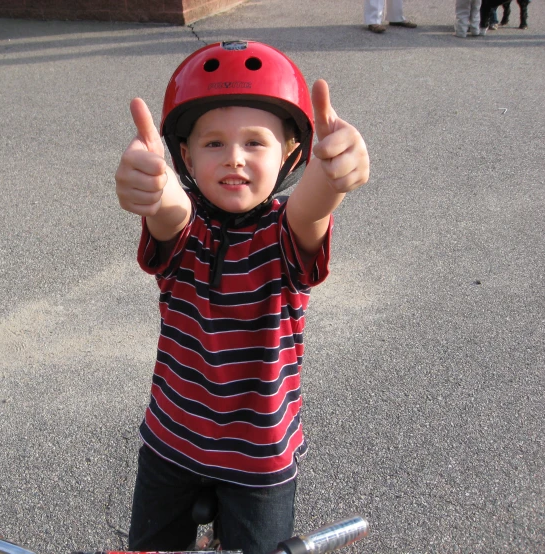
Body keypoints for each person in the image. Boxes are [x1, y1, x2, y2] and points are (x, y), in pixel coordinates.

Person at [114, 41, 370, 554]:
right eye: (213, 144)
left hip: (259, 458)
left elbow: (310, 209)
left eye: (256, 143)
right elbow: (169, 210)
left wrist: (332, 175)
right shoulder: (187, 232)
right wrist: (150, 184)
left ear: (291, 154)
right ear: (185, 156)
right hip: (172, 441)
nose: (234, 158)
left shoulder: (283, 236)